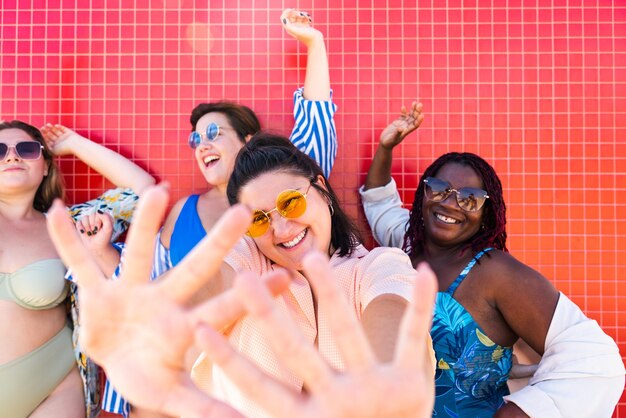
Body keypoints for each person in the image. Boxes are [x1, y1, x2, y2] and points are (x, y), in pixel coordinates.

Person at [46, 135, 438, 418]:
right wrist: (160, 328)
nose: (281, 229)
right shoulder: (249, 256)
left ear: (320, 188)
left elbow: (391, 315)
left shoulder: (380, 265)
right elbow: (214, 284)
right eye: (258, 219)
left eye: (291, 202)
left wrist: (385, 378)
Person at [100, 9, 338, 416]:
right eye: (195, 138)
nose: (201, 144)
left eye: (214, 133)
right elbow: (148, 291)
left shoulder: (288, 186)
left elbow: (316, 119)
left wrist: (314, 45)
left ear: (247, 141)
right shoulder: (182, 212)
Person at [359, 105, 626, 417]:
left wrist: (522, 410)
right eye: (439, 189)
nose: (451, 203)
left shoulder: (495, 273)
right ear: (423, 195)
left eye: (470, 198)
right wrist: (385, 147)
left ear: (487, 214)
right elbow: (380, 201)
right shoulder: (405, 247)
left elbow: (596, 361)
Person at [0, 120, 154, 418]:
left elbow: (144, 192)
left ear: (45, 166)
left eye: (28, 149)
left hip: (53, 386)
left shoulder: (69, 225)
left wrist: (74, 143)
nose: (12, 156)